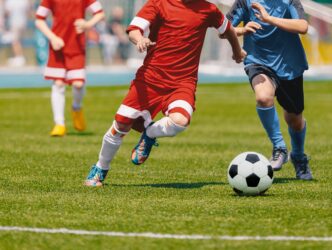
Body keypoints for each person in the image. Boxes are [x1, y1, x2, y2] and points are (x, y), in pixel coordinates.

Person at [85, 0, 246, 187]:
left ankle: (150, 133)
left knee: (181, 121)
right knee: (121, 124)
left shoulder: (208, 9)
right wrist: (140, 40)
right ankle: (101, 167)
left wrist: (237, 51)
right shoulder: (158, 3)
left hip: (182, 82)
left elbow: (227, 31)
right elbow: (134, 29)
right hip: (149, 80)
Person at [226, 0, 313, 180]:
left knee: (294, 119)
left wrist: (269, 18)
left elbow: (303, 26)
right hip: (258, 62)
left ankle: (298, 156)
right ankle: (279, 147)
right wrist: (241, 30)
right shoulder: (244, 2)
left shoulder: (289, 1)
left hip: (290, 64)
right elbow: (224, 29)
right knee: (263, 97)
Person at [35, 0, 105, 136]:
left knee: (78, 84)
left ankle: (77, 108)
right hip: (57, 45)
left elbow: (100, 13)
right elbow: (39, 20)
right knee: (58, 83)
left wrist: (87, 24)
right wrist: (52, 38)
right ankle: (59, 124)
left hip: (77, 47)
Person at [4, 0, 29, 67]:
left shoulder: (10, 1)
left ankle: (19, 57)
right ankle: (19, 56)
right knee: (19, 40)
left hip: (14, 22)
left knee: (15, 41)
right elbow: (28, 10)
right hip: (23, 22)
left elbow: (7, 12)